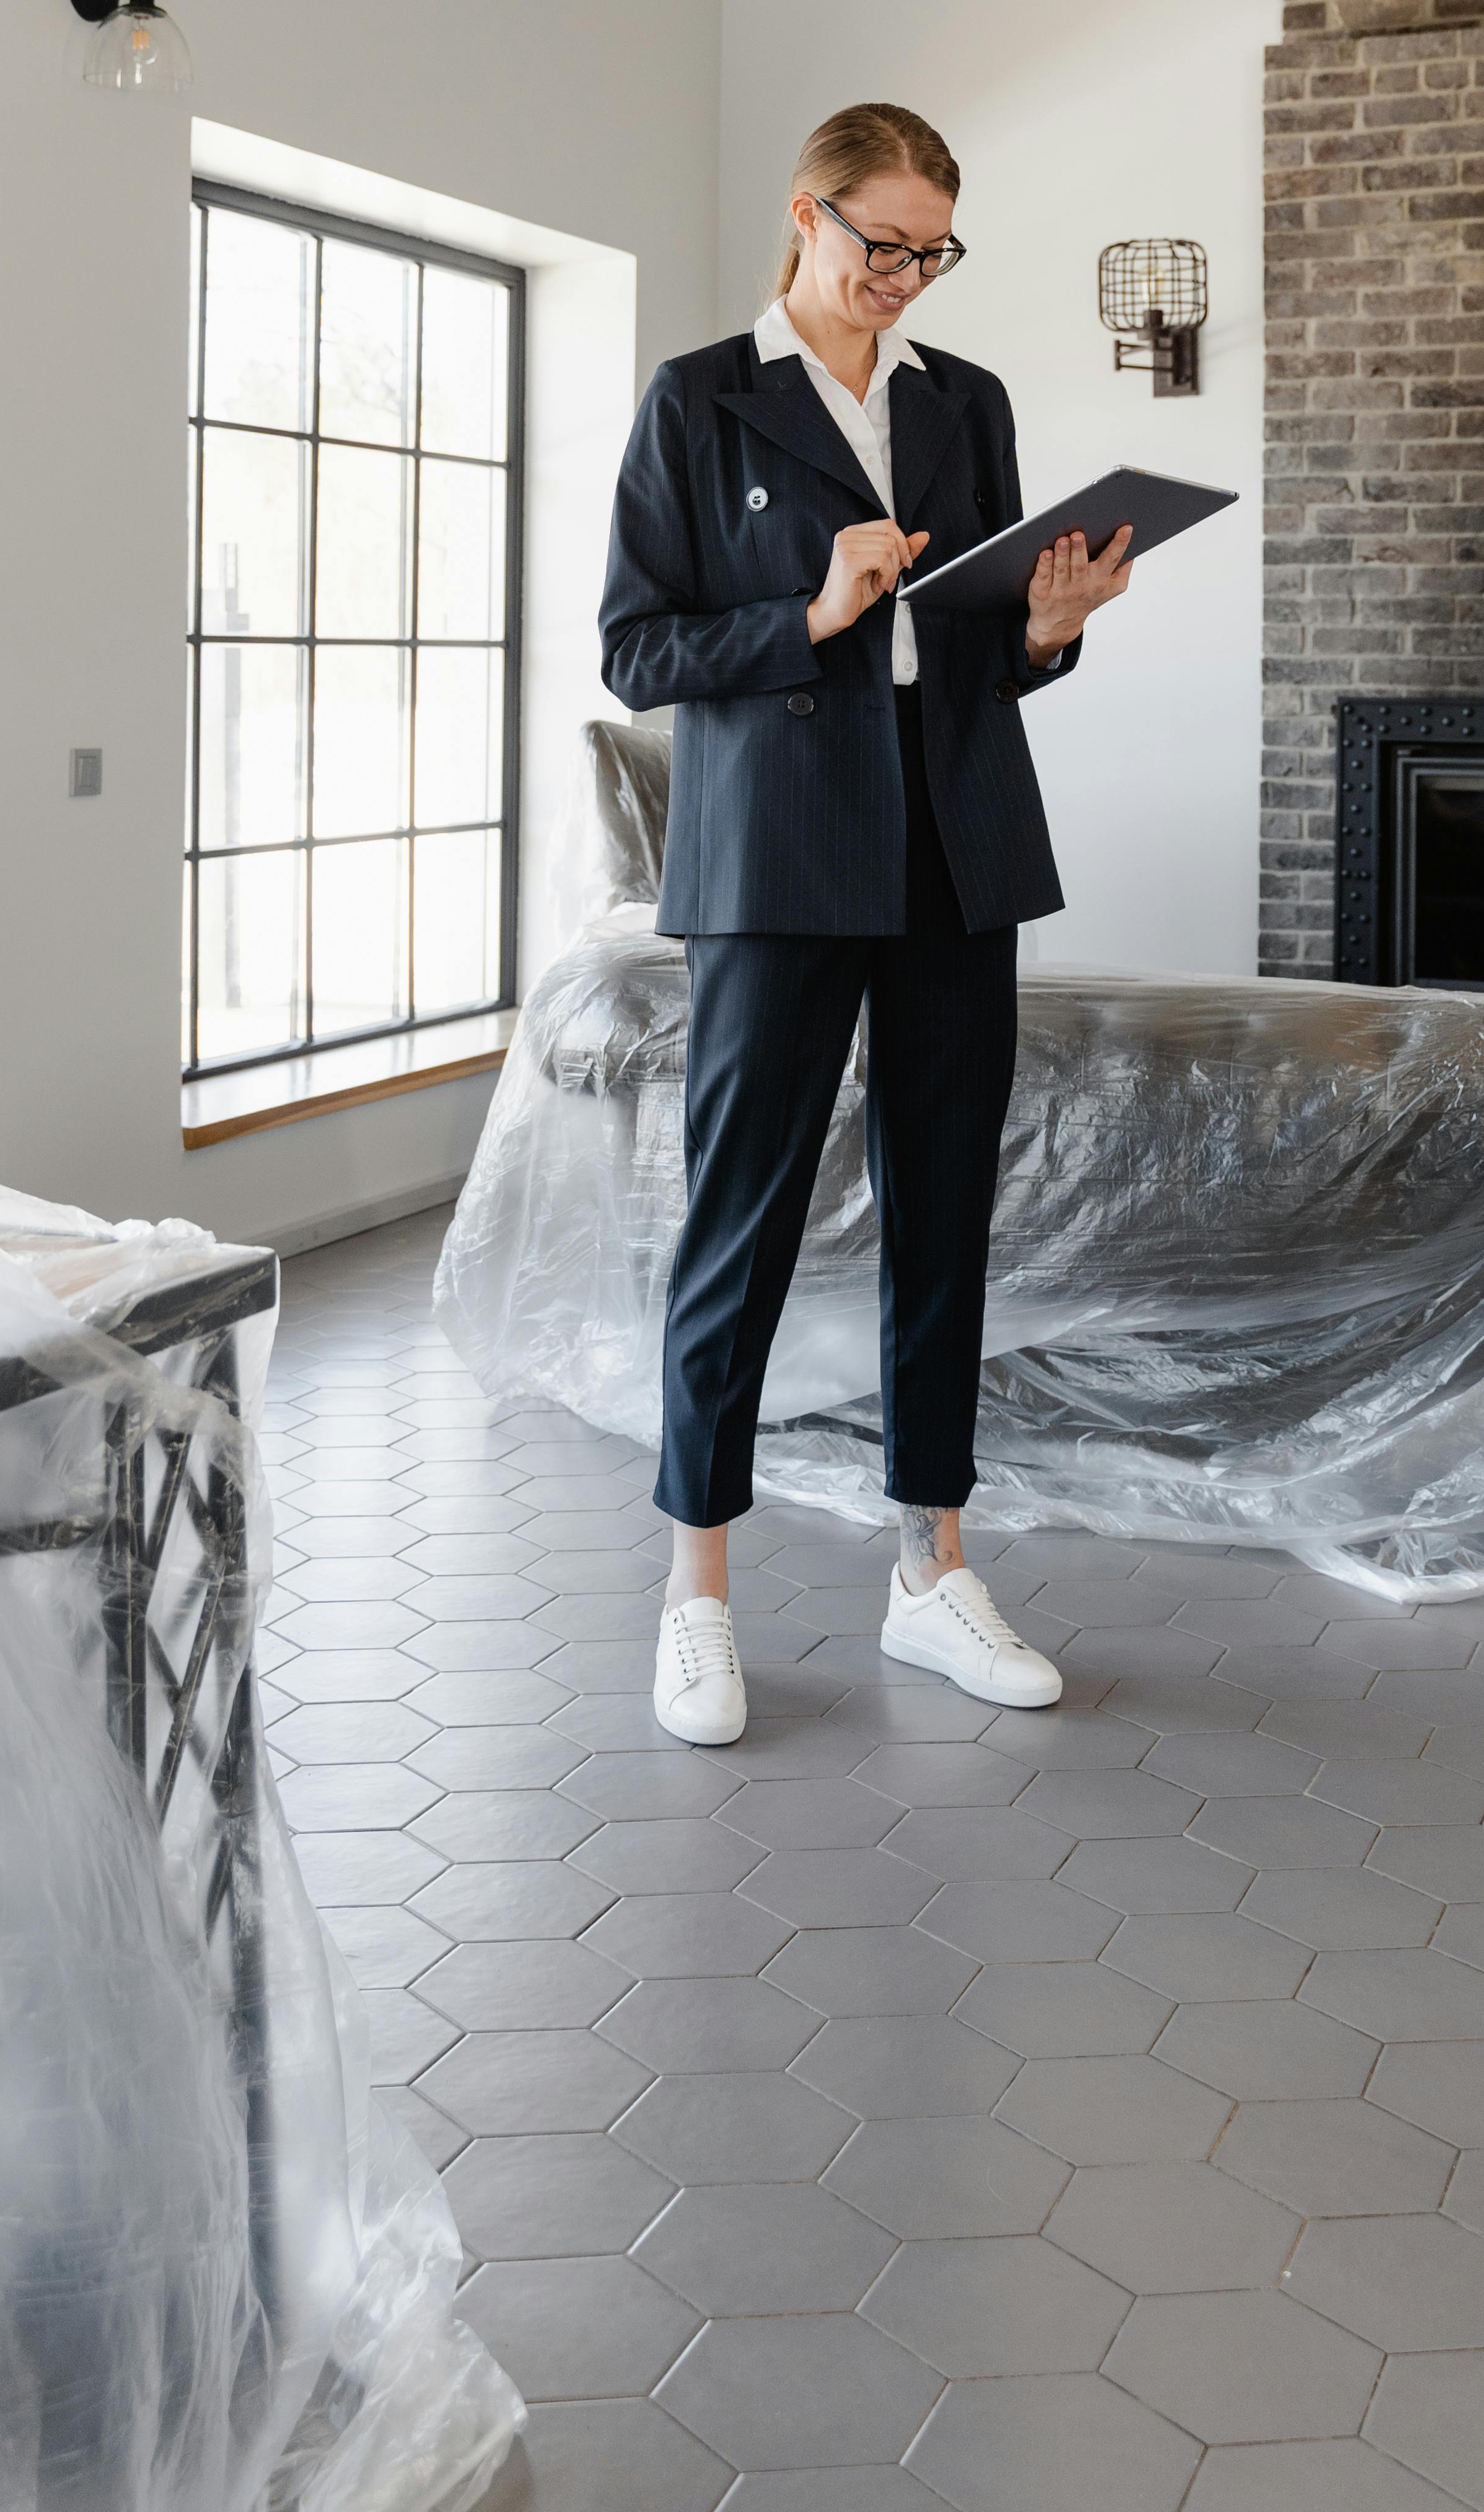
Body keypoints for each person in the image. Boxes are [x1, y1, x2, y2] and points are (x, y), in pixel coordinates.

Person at [599, 102, 1135, 1746]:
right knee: (740, 1219)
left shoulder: (965, 403)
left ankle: (932, 1568)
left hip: (955, 846)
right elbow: (638, 653)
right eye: (880, 241)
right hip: (776, 866)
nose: (903, 275)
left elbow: (987, 645)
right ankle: (696, 1595)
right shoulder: (700, 400)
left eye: (931, 250)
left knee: (944, 1211)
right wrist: (808, 614)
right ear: (805, 218)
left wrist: (1050, 631)